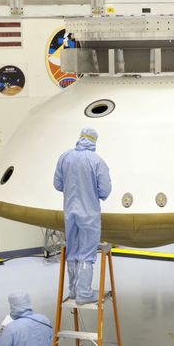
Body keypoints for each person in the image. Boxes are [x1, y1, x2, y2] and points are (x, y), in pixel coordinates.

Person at [53, 127, 112, 304]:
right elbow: (105, 191)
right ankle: (84, 294)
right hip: (89, 214)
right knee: (87, 253)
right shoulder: (97, 161)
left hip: (70, 212)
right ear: (94, 141)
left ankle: (72, 290)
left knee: (72, 250)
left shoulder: (64, 157)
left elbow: (57, 184)